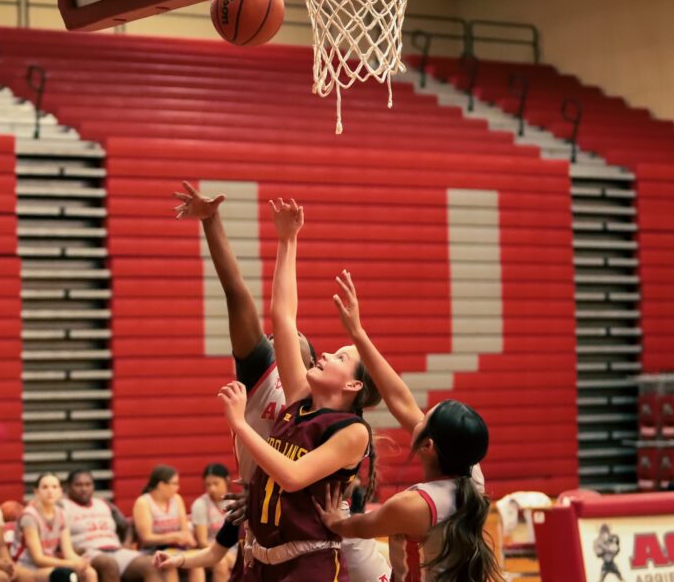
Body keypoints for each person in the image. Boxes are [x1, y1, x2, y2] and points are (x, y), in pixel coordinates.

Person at [175, 186, 389, 582]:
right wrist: (288, 241)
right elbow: (283, 316)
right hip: (263, 555)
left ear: (354, 387)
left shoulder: (352, 431)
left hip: (309, 560)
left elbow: (292, 475)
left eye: (340, 358)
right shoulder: (302, 399)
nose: (326, 354)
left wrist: (239, 423)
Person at [315, 270, 501, 582]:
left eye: (425, 418)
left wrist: (335, 521)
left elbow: (360, 527)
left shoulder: (413, 505)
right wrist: (357, 333)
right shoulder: (471, 474)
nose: (418, 415)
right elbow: (399, 399)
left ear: (428, 446)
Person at [173, 181, 317, 482]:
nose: (278, 338)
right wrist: (210, 221)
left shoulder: (328, 396)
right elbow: (236, 293)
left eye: (296, 335)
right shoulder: (263, 369)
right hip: (261, 507)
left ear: (315, 363)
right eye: (273, 338)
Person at [60, 470, 162, 582]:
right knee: (108, 564)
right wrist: (73, 551)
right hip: (89, 552)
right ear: (68, 487)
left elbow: (127, 526)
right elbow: (54, 536)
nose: (84, 489)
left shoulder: (104, 503)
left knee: (150, 563)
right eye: (78, 485)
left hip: (115, 549)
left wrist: (126, 544)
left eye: (88, 484)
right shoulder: (62, 506)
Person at [13, 473, 97, 582]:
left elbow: (68, 552)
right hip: (27, 566)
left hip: (51, 564)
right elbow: (38, 559)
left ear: (60, 491)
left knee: (89, 572)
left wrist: (81, 562)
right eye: (45, 487)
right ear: (36, 491)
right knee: (64, 575)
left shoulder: (62, 514)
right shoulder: (29, 516)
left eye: (54, 487)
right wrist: (70, 564)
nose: (50, 491)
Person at [132, 466, 195, 582]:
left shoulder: (177, 499)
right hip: (152, 550)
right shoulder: (143, 502)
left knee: (195, 562)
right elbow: (146, 538)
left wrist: (188, 539)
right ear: (161, 485)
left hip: (176, 548)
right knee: (169, 564)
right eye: (174, 484)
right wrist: (174, 537)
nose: (178, 487)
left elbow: (185, 531)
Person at [189, 464, 235, 582]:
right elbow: (202, 541)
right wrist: (224, 553)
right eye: (208, 485)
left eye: (216, 483)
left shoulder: (236, 501)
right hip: (212, 549)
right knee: (221, 562)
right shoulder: (200, 504)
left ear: (227, 480)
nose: (212, 489)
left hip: (235, 548)